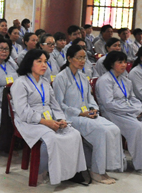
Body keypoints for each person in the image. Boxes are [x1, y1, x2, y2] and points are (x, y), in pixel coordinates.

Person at [10, 49, 88, 185]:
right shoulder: (20, 83)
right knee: (51, 138)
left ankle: (71, 172)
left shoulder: (45, 82)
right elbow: (23, 111)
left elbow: (55, 105)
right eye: (39, 61)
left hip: (49, 119)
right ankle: (42, 173)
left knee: (74, 134)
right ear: (30, 63)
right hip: (29, 122)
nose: (44, 65)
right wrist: (46, 122)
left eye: (45, 62)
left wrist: (60, 119)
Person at [52, 45, 125, 184]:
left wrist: (93, 109)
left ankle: (108, 167)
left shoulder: (83, 77)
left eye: (84, 58)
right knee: (102, 131)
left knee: (114, 128)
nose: (82, 61)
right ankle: (96, 171)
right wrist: (80, 113)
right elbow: (59, 104)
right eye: (79, 58)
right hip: (72, 116)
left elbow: (90, 98)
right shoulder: (60, 78)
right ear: (69, 58)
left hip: (87, 114)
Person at [96, 51, 142, 174]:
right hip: (113, 113)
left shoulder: (125, 80)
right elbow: (109, 104)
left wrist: (137, 109)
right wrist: (132, 110)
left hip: (130, 110)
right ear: (111, 64)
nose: (124, 65)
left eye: (125, 62)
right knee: (138, 127)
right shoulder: (104, 80)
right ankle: (140, 165)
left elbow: (133, 98)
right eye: (120, 62)